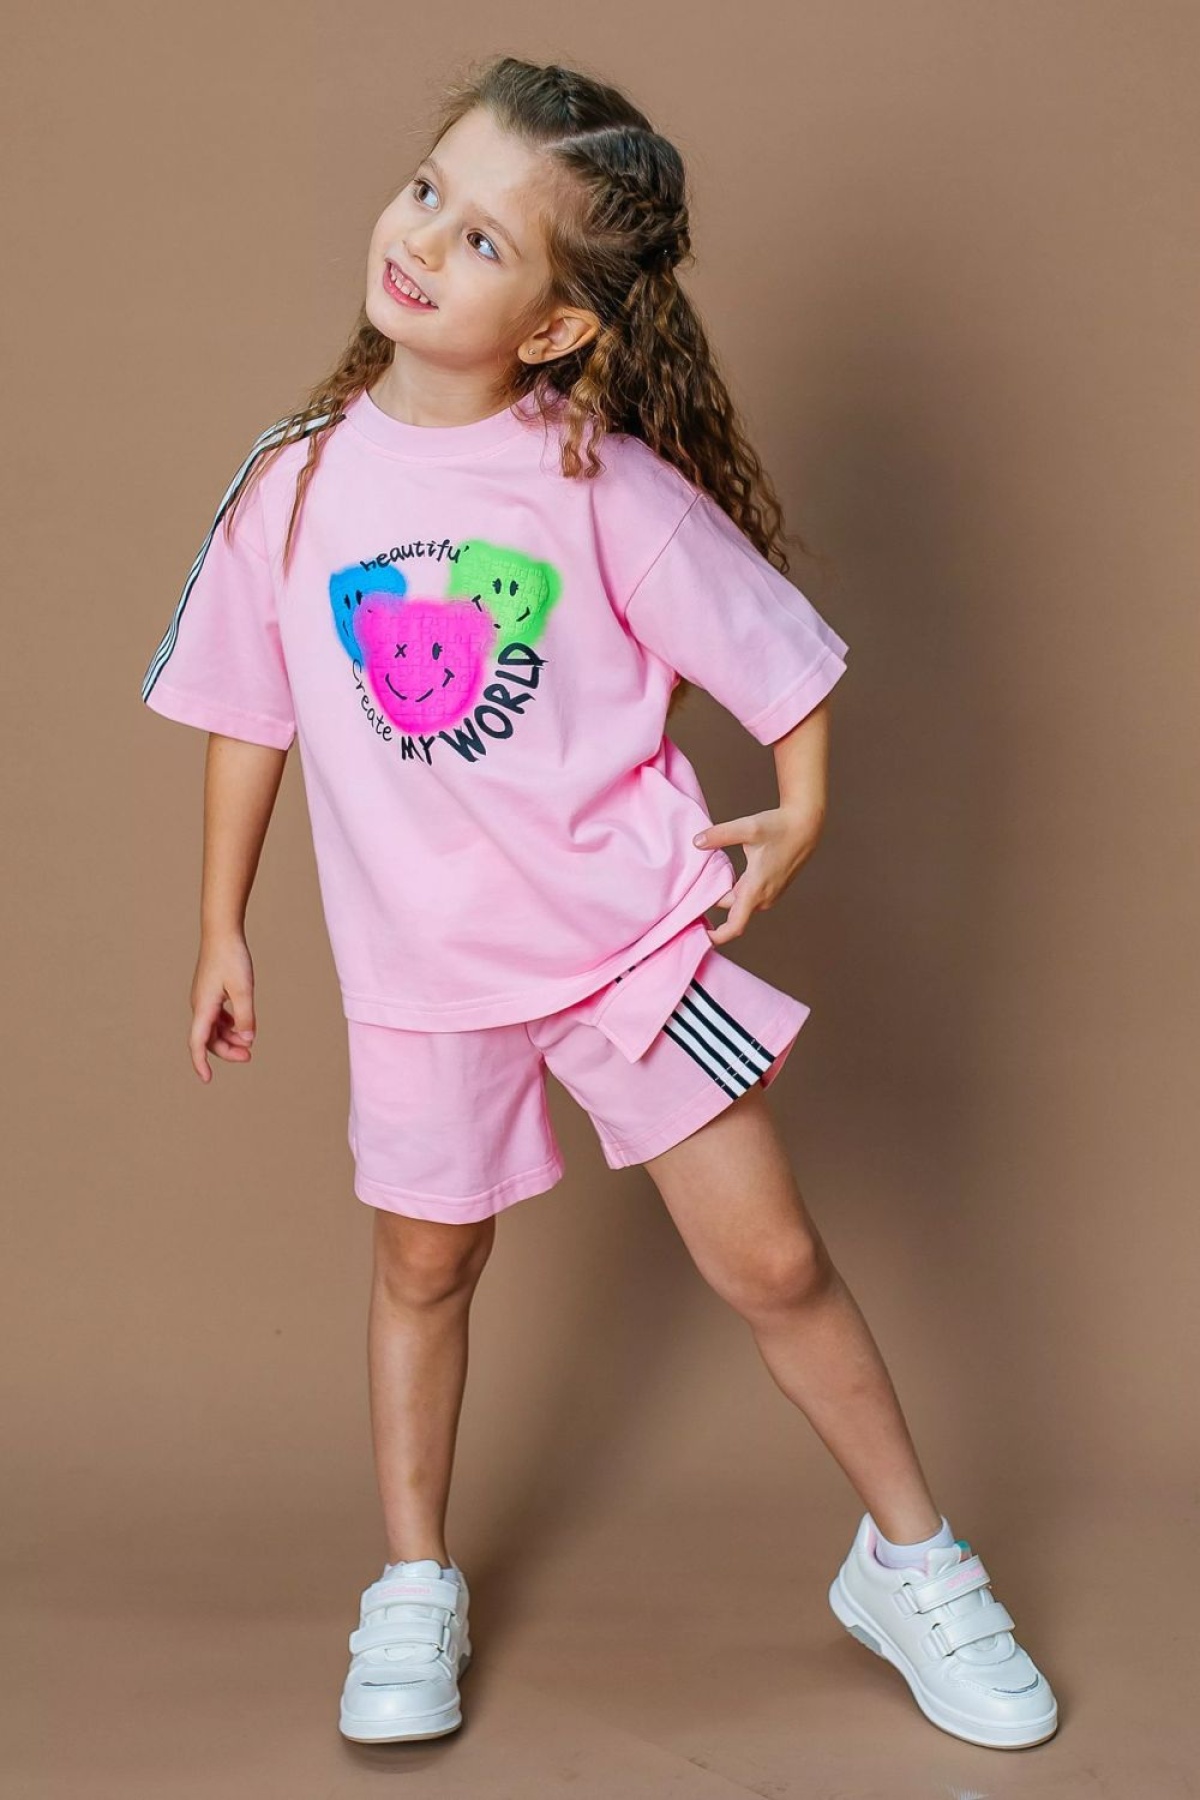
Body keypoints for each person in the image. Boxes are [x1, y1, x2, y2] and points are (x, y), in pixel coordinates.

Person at [139, 55, 1058, 1754]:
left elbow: (779, 657)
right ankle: (413, 1580)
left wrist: (803, 816)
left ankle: (912, 1561)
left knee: (774, 1259)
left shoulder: (590, 480)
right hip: (420, 971)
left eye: (485, 240)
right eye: (430, 190)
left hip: (626, 948)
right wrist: (221, 926)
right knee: (425, 1266)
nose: (425, 240)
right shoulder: (293, 485)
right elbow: (247, 713)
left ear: (558, 324)